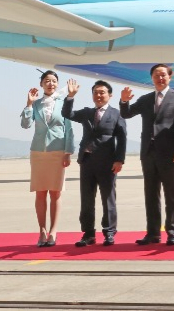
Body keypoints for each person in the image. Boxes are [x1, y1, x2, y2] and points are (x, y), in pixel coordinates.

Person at [120, 64, 174, 246]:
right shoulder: (145, 99)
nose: (160, 78)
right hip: (148, 153)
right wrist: (124, 101)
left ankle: (172, 232)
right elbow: (126, 114)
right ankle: (153, 234)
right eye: (156, 75)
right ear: (152, 78)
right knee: (151, 195)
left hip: (170, 153)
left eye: (163, 75)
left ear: (169, 77)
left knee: (172, 194)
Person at [62, 79, 127, 247]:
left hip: (108, 163)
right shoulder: (87, 112)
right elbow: (67, 114)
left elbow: (122, 138)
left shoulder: (116, 114)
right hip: (87, 162)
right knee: (87, 200)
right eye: (95, 93)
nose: (98, 95)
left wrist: (119, 160)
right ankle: (88, 234)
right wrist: (70, 96)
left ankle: (109, 233)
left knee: (108, 200)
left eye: (102, 92)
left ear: (109, 95)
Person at [21, 70, 75, 247]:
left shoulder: (64, 103)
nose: (50, 84)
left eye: (53, 81)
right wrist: (28, 104)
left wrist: (68, 152)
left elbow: (69, 129)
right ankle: (42, 230)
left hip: (58, 151)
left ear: (57, 84)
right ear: (41, 84)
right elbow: (25, 124)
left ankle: (53, 231)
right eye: (47, 81)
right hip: (38, 153)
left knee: (55, 192)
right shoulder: (36, 105)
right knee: (40, 192)